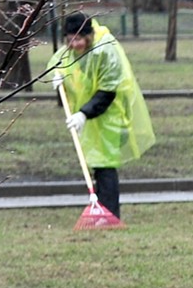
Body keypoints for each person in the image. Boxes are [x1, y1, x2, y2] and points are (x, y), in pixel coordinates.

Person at [46, 11, 154, 218]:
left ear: (88, 36)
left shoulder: (106, 50)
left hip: (111, 115)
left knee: (106, 163)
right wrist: (58, 77)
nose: (74, 44)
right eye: (70, 40)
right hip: (91, 116)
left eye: (78, 39)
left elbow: (108, 91)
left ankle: (110, 213)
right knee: (97, 161)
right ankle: (102, 209)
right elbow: (60, 62)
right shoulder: (71, 52)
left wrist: (83, 114)